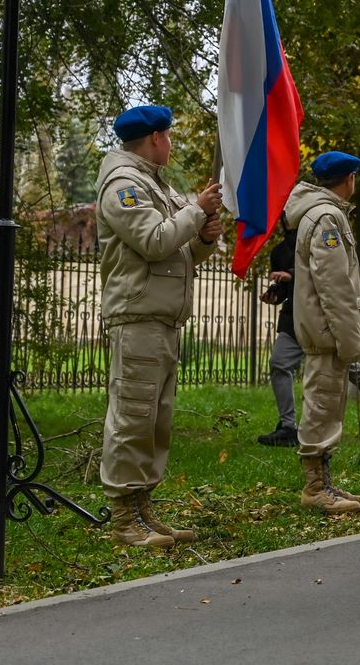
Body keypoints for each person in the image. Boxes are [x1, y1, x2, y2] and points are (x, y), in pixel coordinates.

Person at [95, 104, 222, 548]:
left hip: (162, 317)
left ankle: (144, 509)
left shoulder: (154, 185)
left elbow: (179, 253)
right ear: (153, 138)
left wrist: (204, 236)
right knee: (133, 417)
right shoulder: (123, 184)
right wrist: (195, 212)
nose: (171, 143)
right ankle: (124, 520)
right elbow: (152, 242)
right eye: (168, 136)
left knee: (155, 420)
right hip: (138, 317)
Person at [256, 215, 360, 448]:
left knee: (351, 367)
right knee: (278, 363)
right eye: (285, 215)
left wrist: (292, 275)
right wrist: (275, 295)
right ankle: (287, 427)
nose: (288, 219)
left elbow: (327, 273)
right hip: (293, 321)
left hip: (323, 319)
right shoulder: (279, 252)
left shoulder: (321, 237)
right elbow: (286, 291)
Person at [283, 151, 360, 513]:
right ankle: (315, 487)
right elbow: (334, 285)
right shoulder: (327, 216)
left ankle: (326, 483)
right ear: (349, 178)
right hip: (326, 331)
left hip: (326, 330)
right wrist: (349, 339)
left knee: (328, 403)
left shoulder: (322, 213)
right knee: (321, 404)